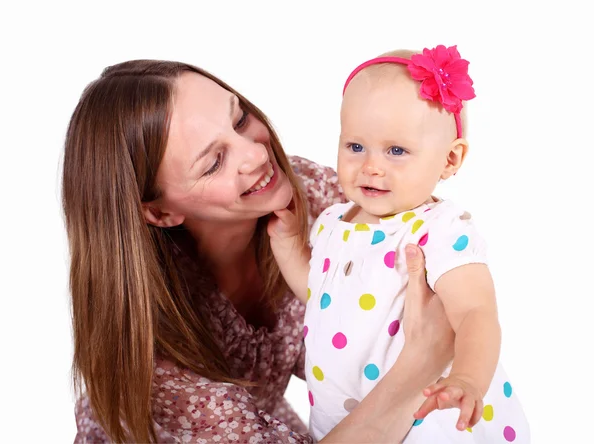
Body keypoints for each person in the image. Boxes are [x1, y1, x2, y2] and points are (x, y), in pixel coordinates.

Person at [63, 59, 456, 443]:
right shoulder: (153, 351)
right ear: (160, 211)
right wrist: (419, 365)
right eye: (214, 162)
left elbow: (427, 255)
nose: (255, 154)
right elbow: (420, 345)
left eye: (238, 120)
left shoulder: (320, 200)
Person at [269, 46, 530, 442]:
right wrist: (289, 246)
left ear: (449, 160)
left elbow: (476, 312)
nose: (372, 166)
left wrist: (467, 378)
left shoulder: (438, 229)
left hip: (428, 413)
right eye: (356, 146)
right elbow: (323, 295)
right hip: (348, 416)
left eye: (397, 151)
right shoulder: (333, 221)